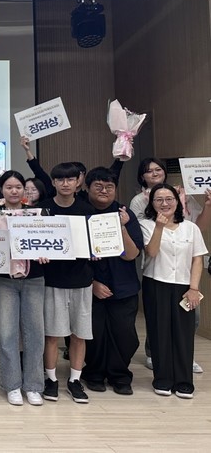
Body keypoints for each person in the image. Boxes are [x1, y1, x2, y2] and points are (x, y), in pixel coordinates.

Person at [129, 157, 210, 373]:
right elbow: (144, 239)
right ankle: (156, 356)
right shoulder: (140, 204)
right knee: (158, 321)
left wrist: (208, 206)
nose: (154, 173)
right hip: (156, 270)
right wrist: (158, 226)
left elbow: (198, 229)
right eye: (149, 171)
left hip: (183, 271)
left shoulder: (183, 197)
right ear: (142, 176)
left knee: (190, 318)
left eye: (158, 169)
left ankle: (184, 357)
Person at [140, 184, 208, 399]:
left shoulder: (191, 228)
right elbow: (151, 252)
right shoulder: (146, 224)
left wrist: (194, 288)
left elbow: (197, 259)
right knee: (159, 332)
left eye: (169, 199)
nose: (164, 203)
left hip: (184, 286)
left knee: (184, 333)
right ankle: (162, 379)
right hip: (156, 283)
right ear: (151, 203)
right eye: (159, 199)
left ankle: (184, 381)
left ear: (178, 202)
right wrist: (159, 227)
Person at [80, 167, 143, 395]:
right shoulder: (79, 213)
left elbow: (132, 254)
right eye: (98, 186)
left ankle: (120, 375)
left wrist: (123, 226)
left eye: (109, 186)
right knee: (93, 334)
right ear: (87, 188)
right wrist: (92, 283)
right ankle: (94, 373)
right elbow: (73, 254)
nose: (104, 190)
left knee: (124, 334)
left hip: (123, 286)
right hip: (89, 286)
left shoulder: (125, 213)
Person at [37, 163, 96, 404]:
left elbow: (95, 242)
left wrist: (96, 251)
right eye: (60, 179)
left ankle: (74, 380)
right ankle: (51, 379)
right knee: (52, 334)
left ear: (77, 182)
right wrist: (38, 252)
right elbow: (34, 240)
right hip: (52, 280)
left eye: (70, 179)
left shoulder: (87, 210)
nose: (65, 184)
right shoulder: (42, 210)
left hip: (82, 280)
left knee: (79, 334)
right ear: (53, 182)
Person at [0, 171, 47, 406]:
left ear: (24, 189)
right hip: (4, 279)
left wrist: (46, 251)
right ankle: (12, 384)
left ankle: (33, 385)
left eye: (18, 187)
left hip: (34, 278)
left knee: (35, 333)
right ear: (1, 190)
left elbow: (49, 241)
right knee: (7, 333)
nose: (14, 191)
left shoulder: (38, 213)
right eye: (9, 187)